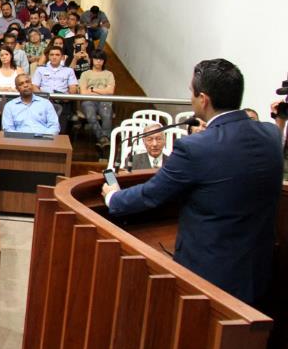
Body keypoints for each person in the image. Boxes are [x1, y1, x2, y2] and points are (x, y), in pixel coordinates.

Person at [103, 59, 283, 305]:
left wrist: (113, 196)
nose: (190, 97)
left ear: (204, 99)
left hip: (208, 278)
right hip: (258, 270)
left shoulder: (195, 146)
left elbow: (152, 194)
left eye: (191, 92)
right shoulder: (272, 134)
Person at [33, 46, 79, 130]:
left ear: (62, 57)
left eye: (57, 55)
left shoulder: (69, 70)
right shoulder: (40, 70)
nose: (54, 57)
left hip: (63, 101)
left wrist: (66, 97)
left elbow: (73, 88)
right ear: (48, 56)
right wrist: (44, 97)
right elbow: (34, 87)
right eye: (52, 54)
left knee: (60, 129)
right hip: (44, 100)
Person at [79, 50, 115, 151]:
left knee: (106, 114)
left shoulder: (109, 74)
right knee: (91, 115)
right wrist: (102, 91)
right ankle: (103, 138)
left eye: (101, 59)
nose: (98, 61)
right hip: (88, 100)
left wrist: (92, 89)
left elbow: (110, 91)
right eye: (96, 59)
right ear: (92, 60)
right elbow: (83, 93)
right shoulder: (85, 74)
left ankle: (103, 139)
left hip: (105, 100)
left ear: (104, 61)